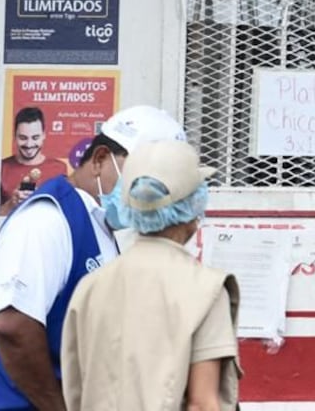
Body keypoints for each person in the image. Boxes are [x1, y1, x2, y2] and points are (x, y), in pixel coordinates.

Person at [0, 105, 187, 411]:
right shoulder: (47, 219)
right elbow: (13, 323)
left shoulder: (98, 227)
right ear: (101, 159)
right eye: (142, 179)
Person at [63, 138, 240, 411]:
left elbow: (75, 392)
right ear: (193, 209)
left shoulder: (89, 288)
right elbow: (203, 404)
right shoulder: (206, 290)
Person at [0, 107, 68, 216]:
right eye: (23, 138)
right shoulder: (1, 168)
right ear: (14, 136)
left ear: (44, 135)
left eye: (35, 138)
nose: (29, 144)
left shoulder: (59, 169)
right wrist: (11, 204)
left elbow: (65, 212)